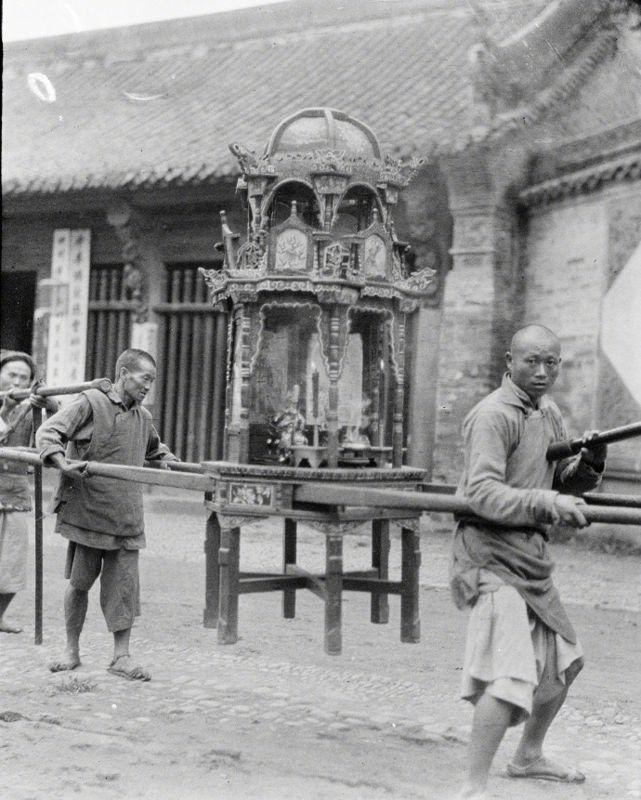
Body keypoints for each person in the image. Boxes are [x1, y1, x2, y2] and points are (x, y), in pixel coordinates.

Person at [450, 325, 607, 800]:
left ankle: (527, 756)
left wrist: (590, 465)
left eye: (551, 363)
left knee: (564, 662)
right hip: (489, 555)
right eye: (531, 362)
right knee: (513, 676)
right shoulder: (492, 416)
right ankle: (473, 787)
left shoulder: (548, 412)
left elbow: (562, 482)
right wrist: (545, 501)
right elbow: (480, 491)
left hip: (530, 557)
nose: (541, 372)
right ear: (509, 360)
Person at [36, 348, 177, 681]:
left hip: (127, 515)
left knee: (124, 588)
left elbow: (155, 449)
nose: (148, 387)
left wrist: (167, 458)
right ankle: (71, 650)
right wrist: (60, 461)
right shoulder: (90, 402)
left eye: (152, 382)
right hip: (89, 510)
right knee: (80, 583)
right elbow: (49, 432)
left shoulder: (143, 417)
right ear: (124, 374)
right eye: (145, 379)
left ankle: (121, 656)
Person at [0, 350, 58, 634]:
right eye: (12, 374)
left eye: (24, 377)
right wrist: (7, 410)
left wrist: (49, 407)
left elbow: (48, 435)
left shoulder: (29, 408)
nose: (17, 381)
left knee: (12, 560)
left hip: (15, 491)